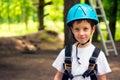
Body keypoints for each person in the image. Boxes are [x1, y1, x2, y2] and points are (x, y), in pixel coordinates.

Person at [52, 3, 111, 80]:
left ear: (93, 29)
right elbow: (58, 77)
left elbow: (102, 78)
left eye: (85, 29)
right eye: (77, 29)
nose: (81, 33)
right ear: (72, 30)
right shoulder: (65, 53)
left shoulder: (99, 55)